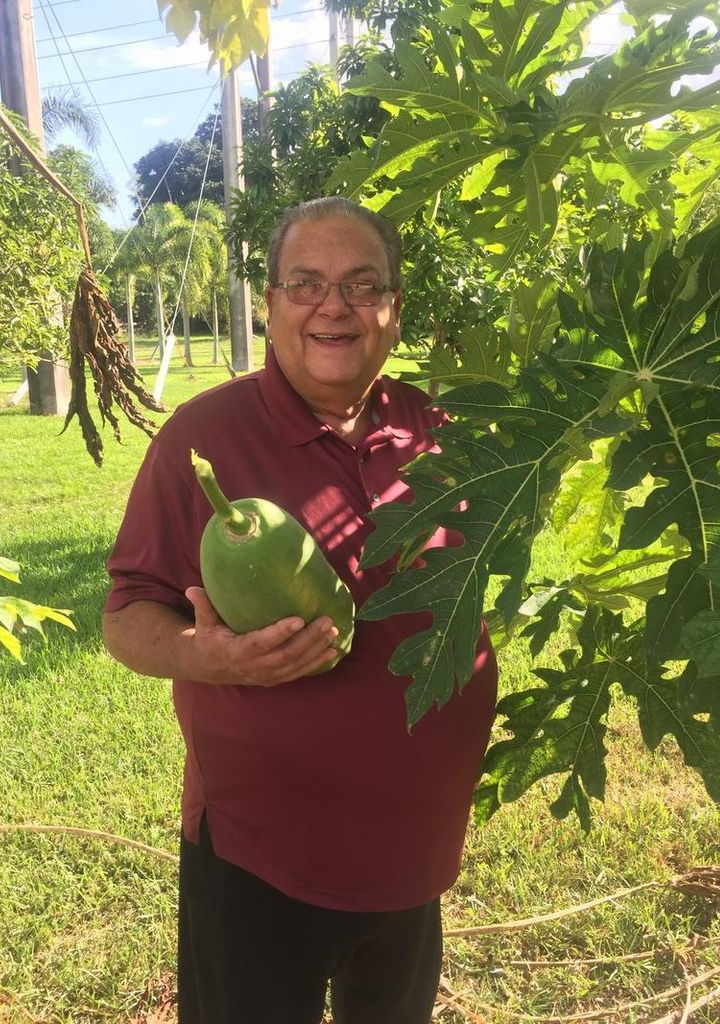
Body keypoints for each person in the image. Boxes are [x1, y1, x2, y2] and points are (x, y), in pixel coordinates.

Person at [103, 196, 498, 1024]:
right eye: (306, 283)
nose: (334, 306)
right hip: (261, 861)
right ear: (272, 303)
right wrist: (204, 657)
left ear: (394, 307)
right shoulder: (202, 438)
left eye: (362, 285)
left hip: (414, 857)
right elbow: (127, 613)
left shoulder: (444, 432)